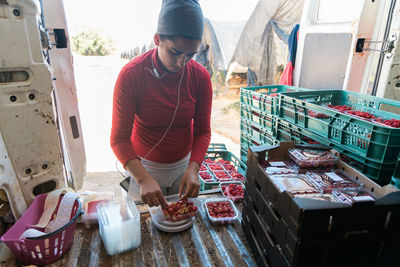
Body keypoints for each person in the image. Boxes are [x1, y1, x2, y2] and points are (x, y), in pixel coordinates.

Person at [110, 0, 212, 209]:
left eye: (190, 55)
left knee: (179, 221)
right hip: (144, 167)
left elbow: (203, 132)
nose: (181, 63)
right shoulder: (132, 75)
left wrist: (193, 168)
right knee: (148, 227)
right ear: (157, 39)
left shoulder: (200, 77)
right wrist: (143, 179)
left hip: (183, 167)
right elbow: (119, 139)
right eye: (174, 52)